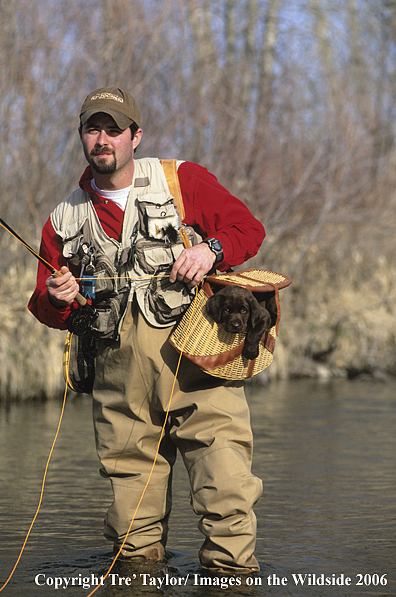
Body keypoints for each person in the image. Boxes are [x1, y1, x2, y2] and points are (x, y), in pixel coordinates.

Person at [28, 86, 265, 572]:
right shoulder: (62, 219)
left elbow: (248, 230)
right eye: (93, 129)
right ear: (81, 137)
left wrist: (211, 250)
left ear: (136, 136)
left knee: (227, 498)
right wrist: (58, 300)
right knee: (131, 538)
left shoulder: (181, 180)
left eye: (114, 129)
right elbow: (44, 305)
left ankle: (234, 580)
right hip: (120, 384)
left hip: (201, 363)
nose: (103, 139)